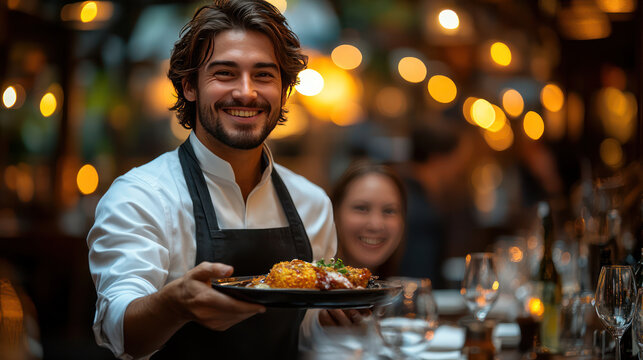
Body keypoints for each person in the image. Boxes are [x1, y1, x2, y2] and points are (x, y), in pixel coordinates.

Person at [86, 1, 338, 358]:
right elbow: (120, 331)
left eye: (264, 75)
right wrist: (174, 305)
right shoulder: (141, 196)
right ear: (189, 86)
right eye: (225, 73)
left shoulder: (313, 203)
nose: (246, 92)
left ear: (285, 90)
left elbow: (308, 335)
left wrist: (331, 320)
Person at [398, 122, 473, 289]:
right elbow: (419, 277)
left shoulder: (408, 194)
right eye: (456, 160)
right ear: (438, 159)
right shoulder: (421, 211)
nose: (459, 169)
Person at [331, 161, 407, 279]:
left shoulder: (403, 291)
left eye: (389, 211)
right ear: (335, 213)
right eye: (361, 208)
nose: (376, 225)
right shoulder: (309, 292)